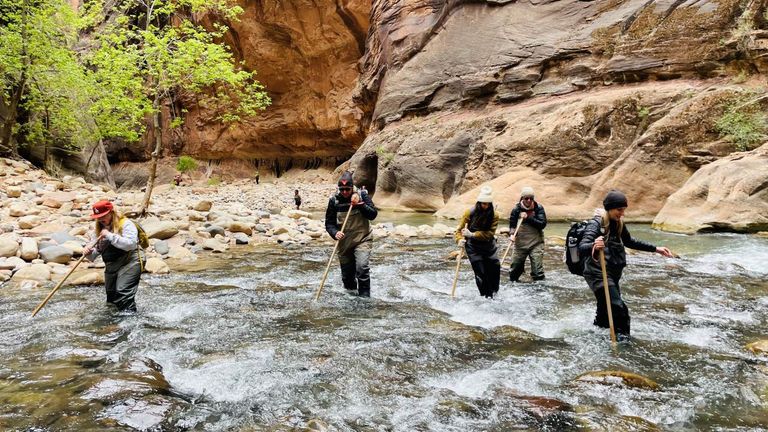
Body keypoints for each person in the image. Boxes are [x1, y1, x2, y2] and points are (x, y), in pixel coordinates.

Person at [578, 190, 674, 338]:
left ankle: (596, 334)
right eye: (619, 210)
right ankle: (624, 344)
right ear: (610, 208)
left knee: (605, 308)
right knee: (619, 308)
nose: (622, 213)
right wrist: (594, 245)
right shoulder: (596, 224)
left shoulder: (618, 223)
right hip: (597, 273)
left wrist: (656, 249)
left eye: (624, 210)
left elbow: (629, 242)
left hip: (613, 272)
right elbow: (582, 247)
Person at [82, 200, 145, 312]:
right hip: (112, 264)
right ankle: (113, 320)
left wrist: (110, 236)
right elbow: (92, 257)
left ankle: (129, 321)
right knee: (111, 297)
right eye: (98, 217)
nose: (101, 219)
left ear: (111, 212)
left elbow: (130, 245)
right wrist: (88, 252)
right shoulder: (98, 231)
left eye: (103, 215)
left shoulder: (126, 224)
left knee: (122, 292)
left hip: (131, 260)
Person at [325, 171, 378, 297]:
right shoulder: (334, 201)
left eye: (347, 189)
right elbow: (329, 223)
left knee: (362, 267)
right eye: (342, 189)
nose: (344, 192)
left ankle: (365, 298)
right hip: (344, 242)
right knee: (347, 276)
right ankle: (351, 298)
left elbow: (373, 215)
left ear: (352, 187)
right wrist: (335, 232)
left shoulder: (362, 195)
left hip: (363, 238)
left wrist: (361, 205)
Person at [454, 186, 501, 298]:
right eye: (483, 203)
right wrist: (459, 239)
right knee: (481, 273)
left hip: (489, 246)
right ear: (479, 202)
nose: (486, 206)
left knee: (495, 270)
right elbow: (459, 230)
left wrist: (473, 234)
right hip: (473, 248)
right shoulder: (469, 213)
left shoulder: (495, 215)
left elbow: (490, 233)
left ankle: (494, 293)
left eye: (488, 204)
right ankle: (486, 297)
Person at [508, 186, 547, 282]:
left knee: (538, 272)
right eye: (526, 198)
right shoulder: (516, 209)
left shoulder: (538, 208)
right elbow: (512, 226)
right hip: (520, 244)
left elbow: (542, 224)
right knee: (514, 271)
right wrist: (512, 235)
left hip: (536, 243)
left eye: (531, 198)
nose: (529, 200)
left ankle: (539, 289)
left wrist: (528, 217)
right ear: (522, 198)